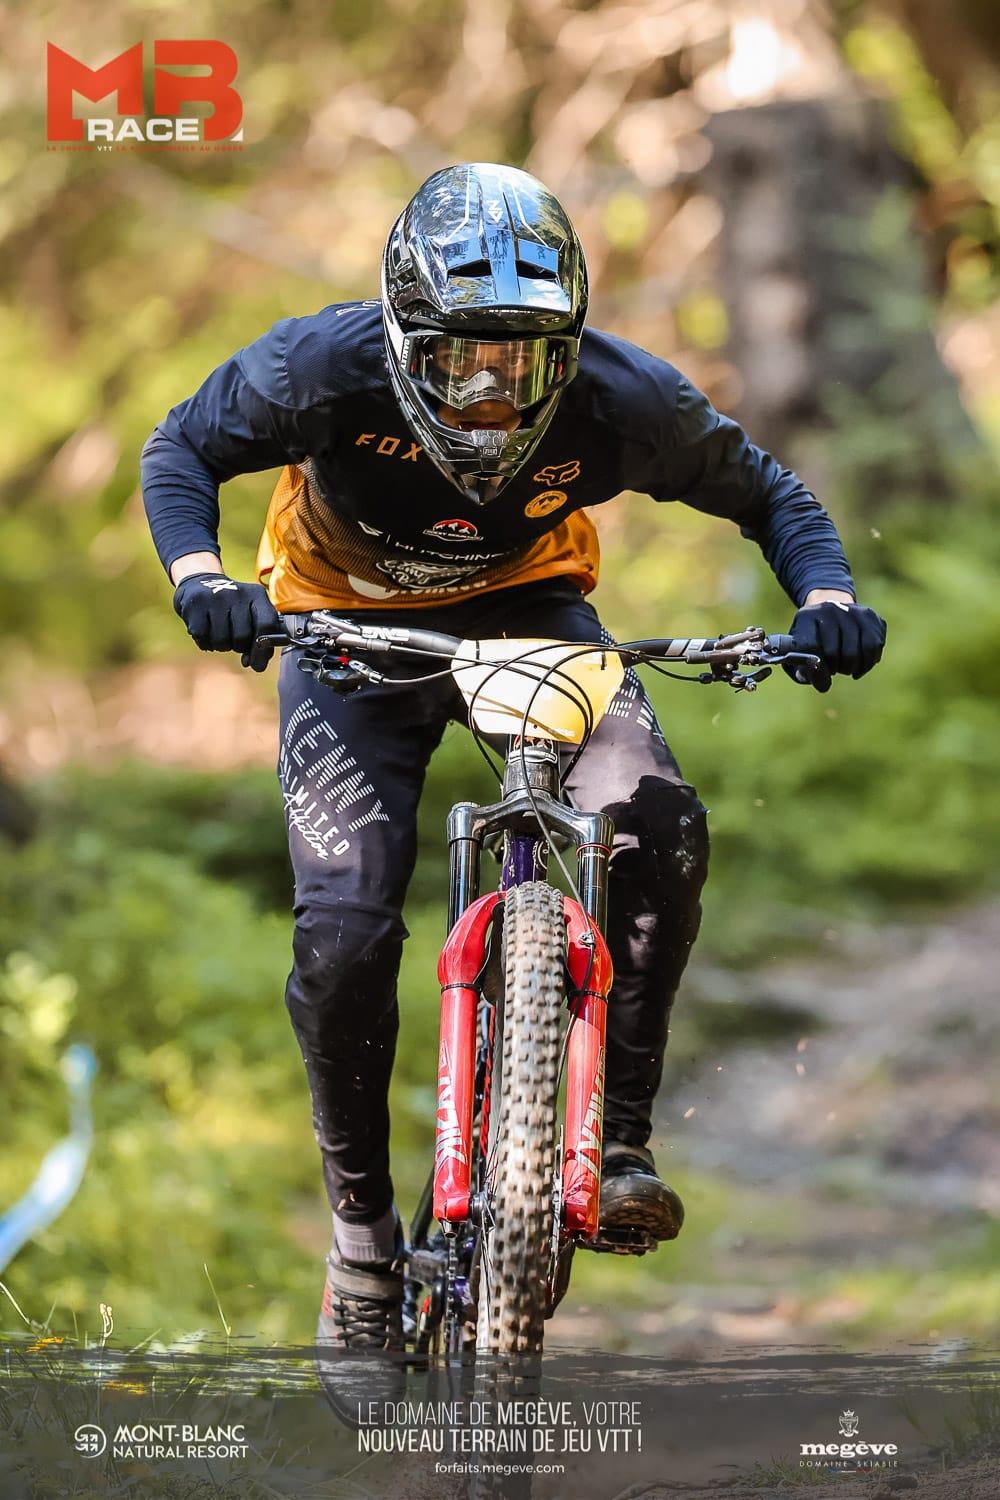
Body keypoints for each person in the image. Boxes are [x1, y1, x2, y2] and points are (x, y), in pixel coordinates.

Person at [141, 162, 885, 1367]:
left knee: (654, 818)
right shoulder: (315, 368)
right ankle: (364, 1241)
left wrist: (829, 595)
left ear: (570, 350)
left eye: (526, 364)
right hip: (342, 630)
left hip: (533, 617)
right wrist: (203, 580)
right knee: (342, 938)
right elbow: (178, 450)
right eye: (458, 361)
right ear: (399, 338)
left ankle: (619, 1143)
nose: (490, 397)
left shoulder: (625, 398)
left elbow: (769, 492)